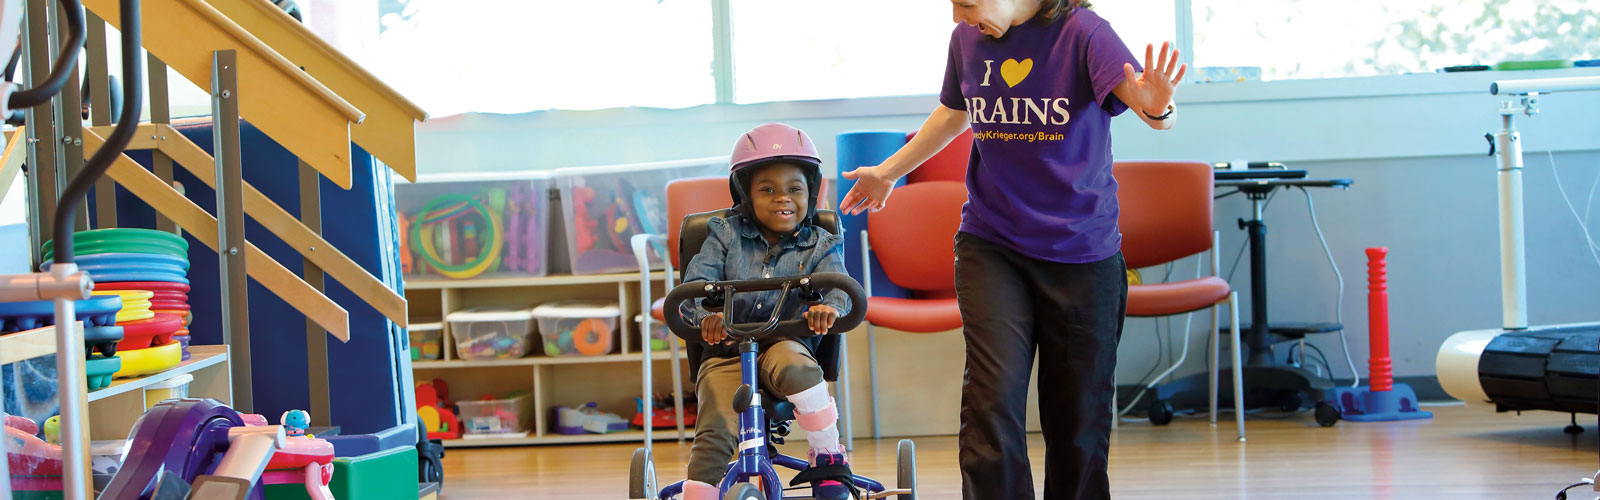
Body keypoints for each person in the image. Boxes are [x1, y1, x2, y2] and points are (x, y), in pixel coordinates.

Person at [838, 1, 1186, 498]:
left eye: (966, 4)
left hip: (1082, 254)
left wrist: (1159, 106)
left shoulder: (1084, 33)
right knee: (990, 401)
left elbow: (1147, 103)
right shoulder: (967, 41)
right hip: (992, 244)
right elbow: (954, 112)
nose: (957, 17)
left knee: (1078, 416)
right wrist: (888, 171)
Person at [678, 123, 855, 500]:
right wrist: (704, 317)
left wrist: (827, 308)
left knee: (799, 367)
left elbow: (842, 292)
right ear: (745, 194)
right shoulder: (724, 235)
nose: (782, 198)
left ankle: (828, 455)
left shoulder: (820, 244)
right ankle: (700, 491)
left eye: (794, 189)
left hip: (784, 343)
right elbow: (693, 291)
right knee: (715, 430)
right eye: (768, 190)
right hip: (727, 351)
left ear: (811, 192)